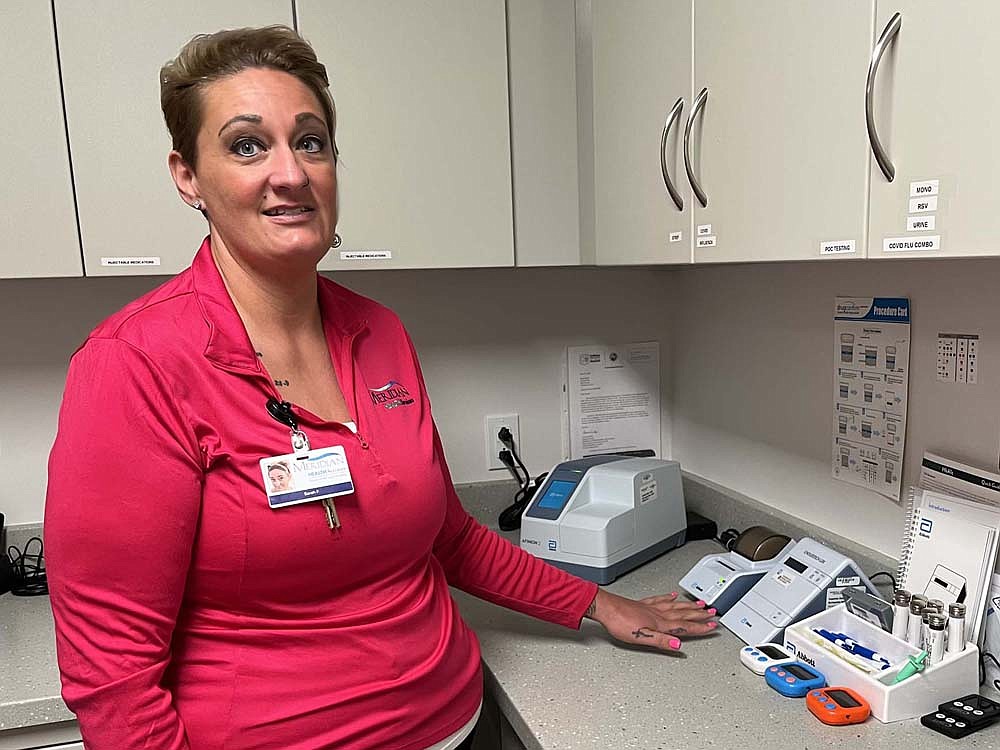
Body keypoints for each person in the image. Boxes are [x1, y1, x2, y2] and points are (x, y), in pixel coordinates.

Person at [44, 26, 717, 750]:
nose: (291, 173)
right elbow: (111, 676)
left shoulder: (380, 333)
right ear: (188, 177)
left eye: (310, 142)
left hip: (458, 725)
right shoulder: (135, 365)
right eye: (246, 146)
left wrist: (594, 603)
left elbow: (449, 536)